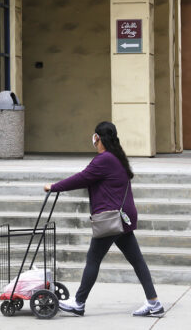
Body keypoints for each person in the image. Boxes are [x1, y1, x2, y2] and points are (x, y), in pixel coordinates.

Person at [43, 121, 164, 318]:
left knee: (93, 259)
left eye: (94, 136)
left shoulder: (104, 160)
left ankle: (79, 303)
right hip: (121, 217)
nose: (93, 139)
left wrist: (54, 186)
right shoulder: (116, 156)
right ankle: (154, 302)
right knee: (136, 260)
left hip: (111, 219)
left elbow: (82, 178)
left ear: (98, 138)